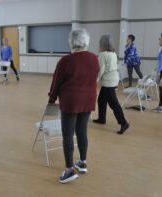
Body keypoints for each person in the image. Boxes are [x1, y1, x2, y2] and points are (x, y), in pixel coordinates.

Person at [48, 29, 99, 183]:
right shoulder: (94, 58)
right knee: (82, 131)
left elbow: (56, 82)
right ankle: (82, 163)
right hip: (88, 99)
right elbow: (94, 77)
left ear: (72, 42)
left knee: (68, 135)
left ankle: (69, 170)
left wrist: (52, 98)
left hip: (71, 101)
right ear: (86, 41)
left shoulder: (66, 60)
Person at [93, 34, 130, 134]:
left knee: (114, 104)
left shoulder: (102, 54)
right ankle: (101, 119)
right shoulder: (113, 53)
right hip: (113, 79)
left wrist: (95, 80)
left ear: (102, 43)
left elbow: (101, 70)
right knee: (101, 100)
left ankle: (124, 123)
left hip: (108, 81)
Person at [153, 33, 162, 113]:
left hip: (161, 72)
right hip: (160, 71)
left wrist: (158, 72)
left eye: (160, 38)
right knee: (160, 89)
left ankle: (160, 107)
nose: (159, 40)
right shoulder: (161, 49)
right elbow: (159, 62)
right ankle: (160, 106)